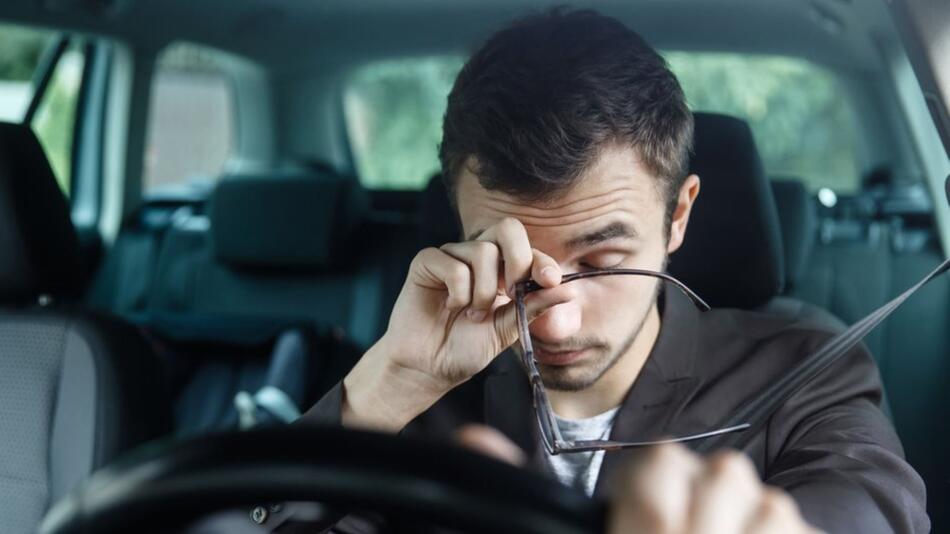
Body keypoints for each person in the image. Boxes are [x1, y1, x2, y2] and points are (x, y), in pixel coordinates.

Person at [271, 8, 928, 533]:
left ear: (677, 216)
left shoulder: (805, 371)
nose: (554, 319)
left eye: (602, 260)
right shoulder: (407, 402)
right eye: (514, 262)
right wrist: (392, 384)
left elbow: (874, 510)